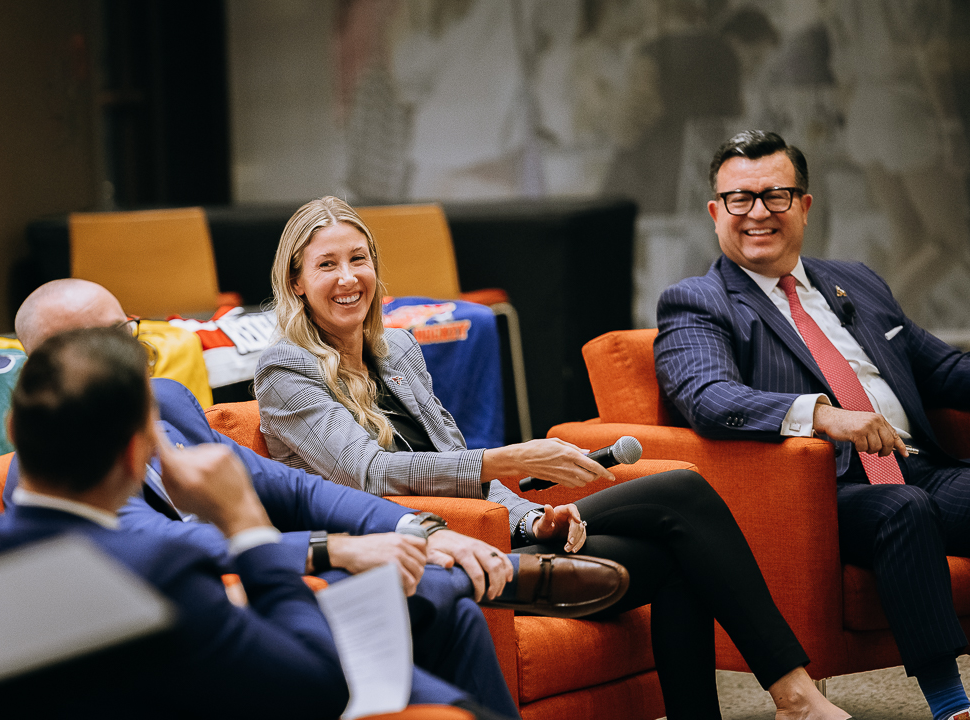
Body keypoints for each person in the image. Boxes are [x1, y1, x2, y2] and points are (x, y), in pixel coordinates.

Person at [253, 195, 851, 720]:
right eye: (326, 264)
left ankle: (782, 700)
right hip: (426, 554)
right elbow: (369, 474)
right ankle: (795, 695)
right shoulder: (286, 370)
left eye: (358, 259)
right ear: (297, 282)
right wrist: (505, 460)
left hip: (497, 534)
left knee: (680, 553)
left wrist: (532, 519)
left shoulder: (398, 350)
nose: (348, 277)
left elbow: (455, 461)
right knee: (680, 493)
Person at [4, 279, 624, 720]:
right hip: (222, 615)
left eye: (127, 330)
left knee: (446, 604)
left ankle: (488, 574)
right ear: (51, 370)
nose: (135, 350)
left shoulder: (160, 401)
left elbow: (293, 485)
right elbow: (168, 545)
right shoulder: (64, 478)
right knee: (435, 613)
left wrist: (419, 529)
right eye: (109, 342)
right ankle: (503, 575)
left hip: (257, 583)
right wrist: (334, 550)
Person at [654, 130, 970, 720]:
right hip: (823, 492)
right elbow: (707, 397)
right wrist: (825, 416)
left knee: (918, 497)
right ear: (714, 212)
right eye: (739, 199)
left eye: (775, 196)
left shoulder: (857, 281)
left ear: (804, 205)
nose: (757, 214)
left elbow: (945, 368)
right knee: (903, 510)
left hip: (919, 465)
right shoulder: (697, 300)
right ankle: (951, 705)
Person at [0, 328, 353, 718]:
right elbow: (318, 690)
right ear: (136, 453)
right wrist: (246, 522)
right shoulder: (162, 572)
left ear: (12, 429)